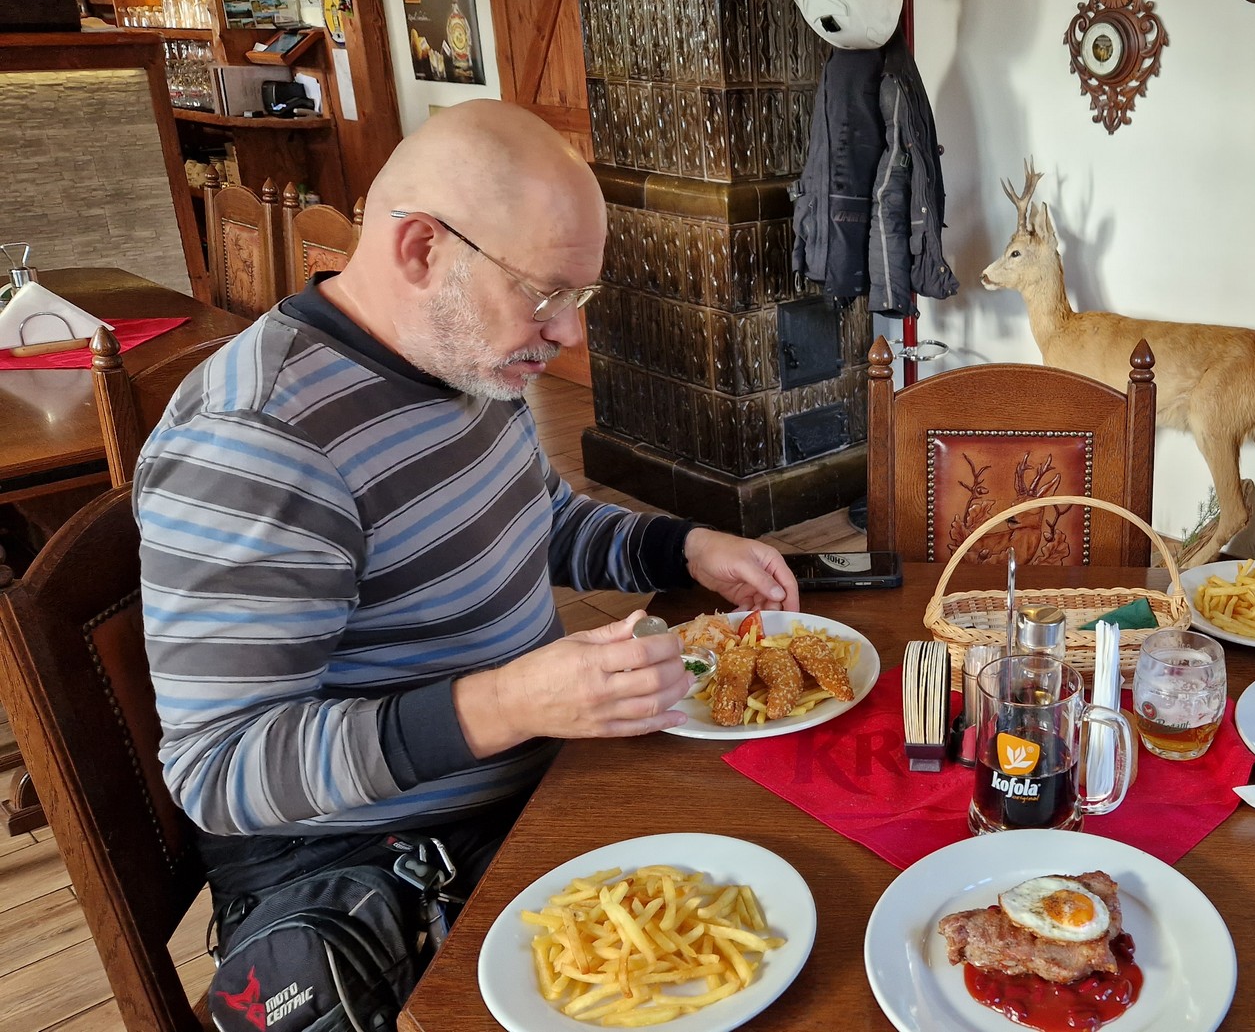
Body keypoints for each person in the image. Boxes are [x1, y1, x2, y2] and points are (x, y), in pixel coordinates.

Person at [134, 100, 800, 931]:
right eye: (546, 292)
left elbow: (541, 524)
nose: (570, 330)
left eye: (580, 294)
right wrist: (506, 706)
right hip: (397, 859)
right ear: (422, 248)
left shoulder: (461, 359)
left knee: (798, 827)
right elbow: (218, 768)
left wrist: (687, 548)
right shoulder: (258, 441)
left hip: (540, 778)